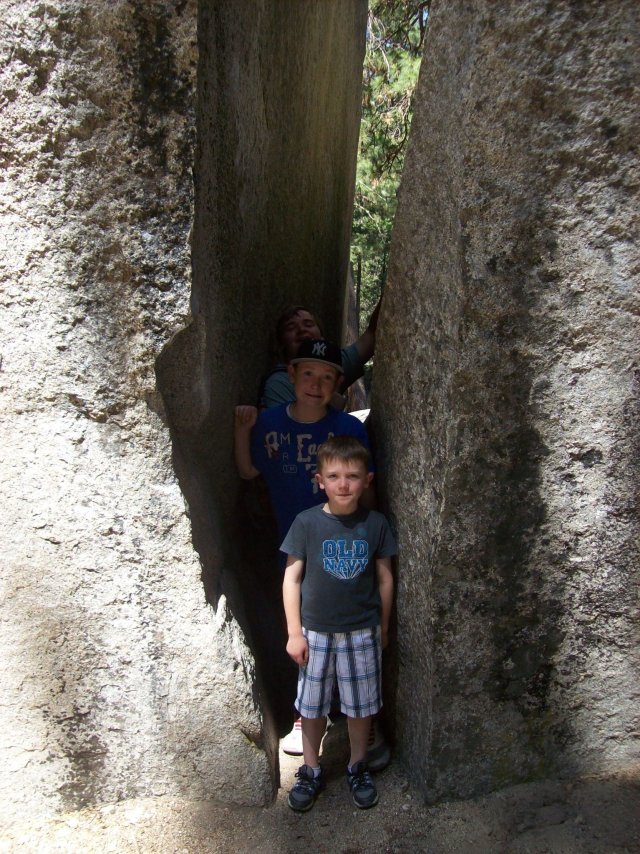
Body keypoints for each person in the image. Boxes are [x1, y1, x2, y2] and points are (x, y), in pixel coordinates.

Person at [281, 436, 396, 811]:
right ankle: (311, 769)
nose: (343, 484)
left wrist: (383, 625)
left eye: (352, 476)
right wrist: (294, 632)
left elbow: (384, 579)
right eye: (334, 476)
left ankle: (357, 764)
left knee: (361, 707)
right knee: (312, 707)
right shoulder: (307, 523)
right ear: (320, 480)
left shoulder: (376, 524)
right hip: (314, 632)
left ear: (367, 480)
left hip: (362, 631)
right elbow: (291, 579)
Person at [259, 301, 380, 409]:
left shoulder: (335, 363)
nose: (301, 329)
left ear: (321, 336)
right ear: (282, 343)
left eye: (308, 324)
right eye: (291, 328)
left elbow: (372, 335)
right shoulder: (278, 383)